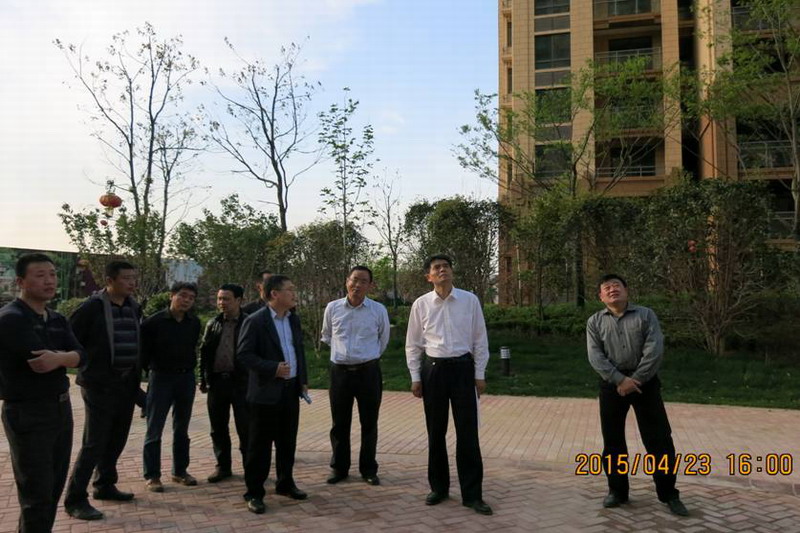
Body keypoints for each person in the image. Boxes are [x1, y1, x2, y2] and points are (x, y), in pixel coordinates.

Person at [586, 274, 689, 516]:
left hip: (646, 384)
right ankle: (617, 491)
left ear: (626, 290)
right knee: (613, 442)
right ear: (601, 296)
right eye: (607, 287)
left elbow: (655, 349)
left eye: (617, 285)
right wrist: (620, 380)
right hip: (612, 386)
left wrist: (636, 379)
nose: (612, 289)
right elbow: (595, 356)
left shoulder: (646, 315)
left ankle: (669, 494)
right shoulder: (594, 322)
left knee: (659, 440)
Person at [0, 253, 85, 533]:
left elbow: (82, 355)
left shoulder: (57, 318)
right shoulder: (11, 319)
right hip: (28, 412)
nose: (49, 281)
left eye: (52, 274)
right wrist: (67, 357)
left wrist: (59, 358)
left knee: (53, 488)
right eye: (40, 275)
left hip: (60, 409)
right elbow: (39, 360)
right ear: (20, 282)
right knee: (36, 494)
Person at [405, 254, 492, 515]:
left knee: (468, 433)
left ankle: (472, 495)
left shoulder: (469, 300)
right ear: (428, 276)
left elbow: (480, 339)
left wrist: (479, 373)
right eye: (437, 267)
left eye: (446, 266)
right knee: (436, 432)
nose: (442, 270)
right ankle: (439, 488)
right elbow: (413, 344)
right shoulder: (421, 304)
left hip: (463, 370)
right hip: (434, 371)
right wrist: (415, 377)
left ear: (452, 272)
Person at [64, 260, 142, 521]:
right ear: (110, 280)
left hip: (126, 384)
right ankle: (75, 498)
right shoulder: (91, 308)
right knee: (94, 443)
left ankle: (105, 484)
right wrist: (87, 365)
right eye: (126, 278)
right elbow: (70, 340)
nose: (132, 283)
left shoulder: (133, 307)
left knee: (117, 438)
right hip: (99, 385)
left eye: (133, 278)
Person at [237, 274, 309, 514]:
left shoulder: (293, 319)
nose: (294, 293)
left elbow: (298, 351)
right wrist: (272, 368)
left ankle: (285, 483)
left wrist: (302, 380)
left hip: (290, 391)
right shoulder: (255, 321)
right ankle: (254, 492)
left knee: (287, 442)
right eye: (290, 289)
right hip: (265, 393)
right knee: (260, 446)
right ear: (274, 294)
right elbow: (244, 355)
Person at [321, 266, 390, 486]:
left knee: (369, 422)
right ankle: (339, 468)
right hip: (339, 373)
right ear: (346, 281)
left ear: (370, 286)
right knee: (339, 423)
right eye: (354, 279)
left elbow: (383, 339)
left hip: (368, 372)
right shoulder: (332, 308)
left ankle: (368, 469)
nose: (357, 285)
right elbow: (327, 336)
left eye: (363, 281)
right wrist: (343, 354)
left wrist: (366, 356)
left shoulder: (378, 310)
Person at [140, 282, 202, 492]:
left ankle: (180, 471)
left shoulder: (194, 322)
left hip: (186, 379)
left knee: (182, 428)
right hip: (161, 378)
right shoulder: (153, 323)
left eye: (191, 298)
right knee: (154, 428)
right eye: (182, 295)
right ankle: (152, 475)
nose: (186, 301)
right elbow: (143, 354)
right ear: (171, 296)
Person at [199, 283, 249, 483]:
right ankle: (223, 466)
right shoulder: (213, 323)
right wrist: (202, 378)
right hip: (217, 382)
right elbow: (204, 352)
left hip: (242, 383)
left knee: (245, 427)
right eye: (219, 299)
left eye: (226, 299)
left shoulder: (249, 323)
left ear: (239, 300)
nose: (221, 303)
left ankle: (250, 467)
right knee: (218, 428)